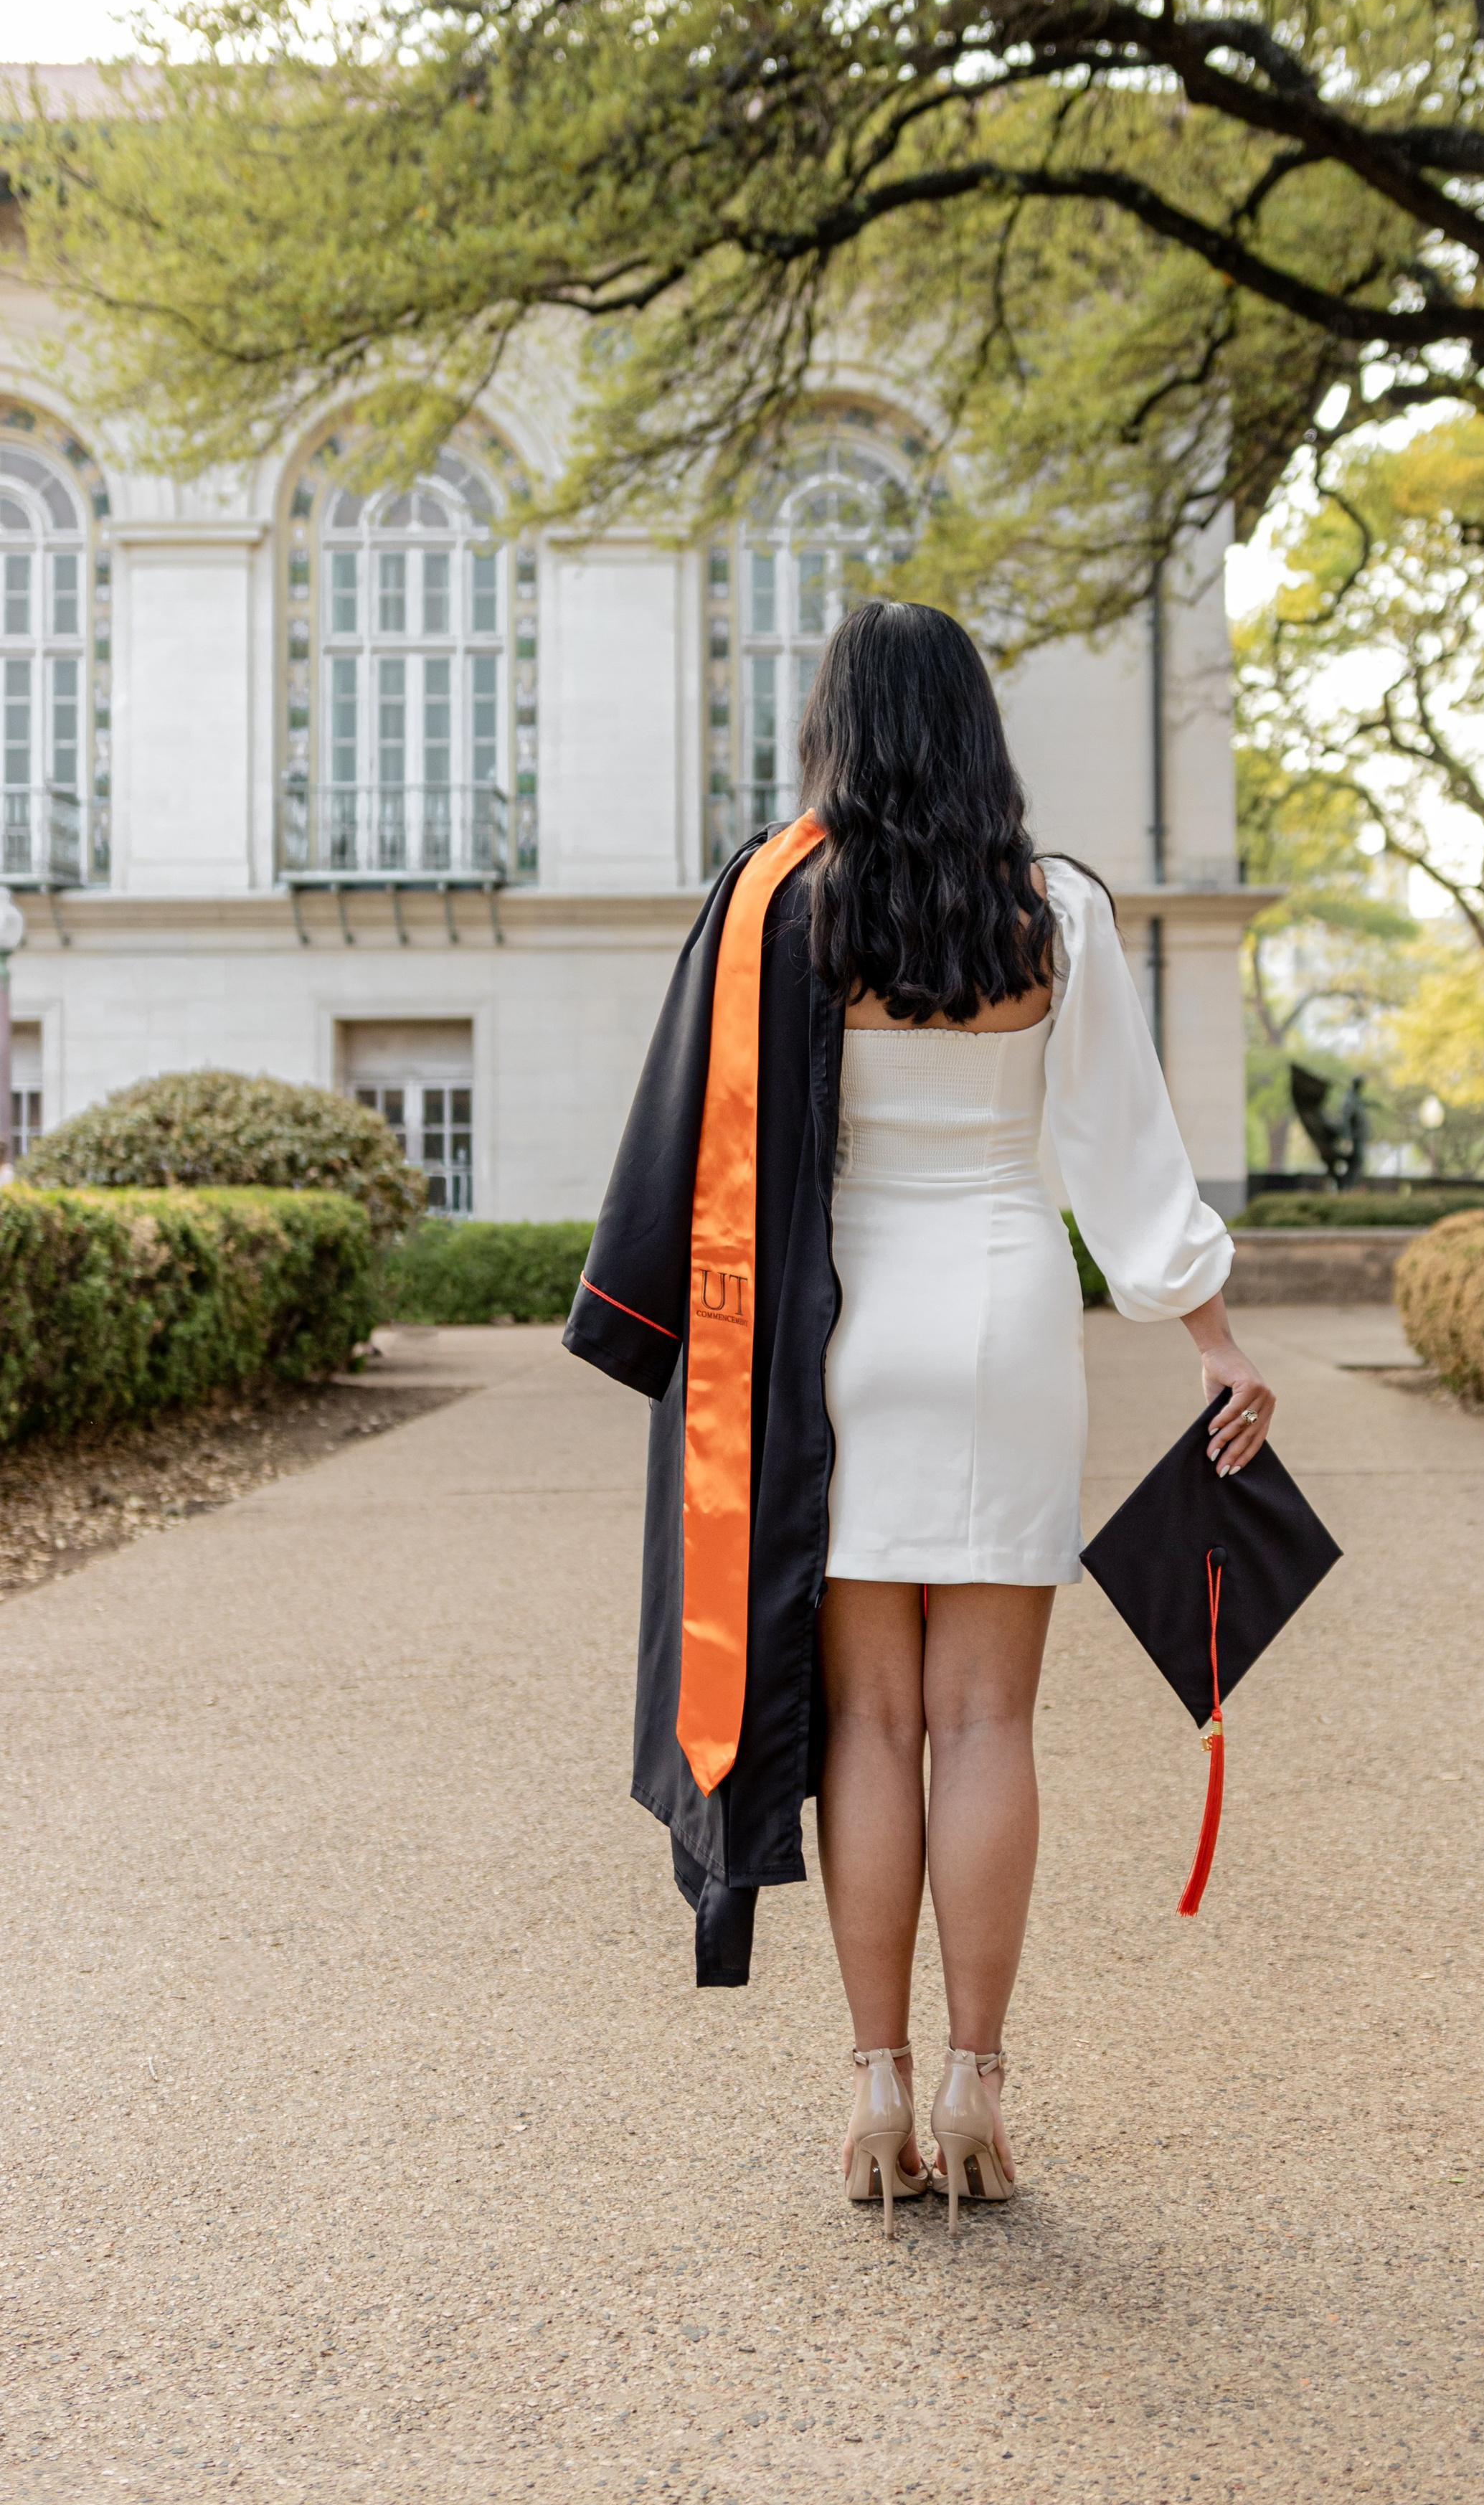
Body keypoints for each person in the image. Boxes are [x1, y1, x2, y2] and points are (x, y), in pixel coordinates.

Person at [562, 598, 1274, 2230]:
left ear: (839, 727)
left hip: (846, 1338)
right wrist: (1215, 1339)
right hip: (1011, 1320)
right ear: (974, 726)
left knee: (872, 1721)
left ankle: (876, 2083)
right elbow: (1124, 1156)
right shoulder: (1056, 911)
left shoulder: (785, 905)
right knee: (989, 1721)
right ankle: (977, 2080)